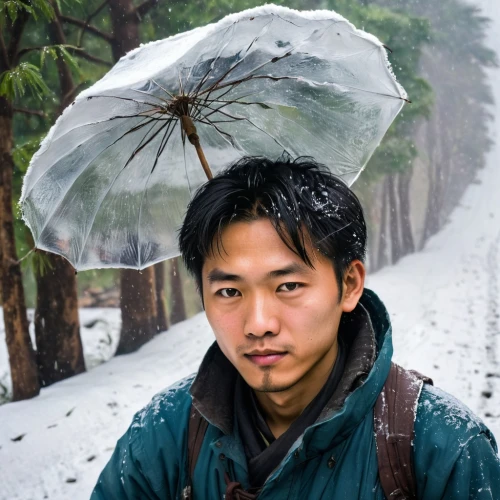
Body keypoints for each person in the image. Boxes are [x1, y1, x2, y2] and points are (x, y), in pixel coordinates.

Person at [91, 157, 500, 499]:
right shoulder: (166, 434)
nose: (258, 324)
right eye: (230, 291)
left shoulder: (441, 446)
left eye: (288, 286)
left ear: (349, 284)